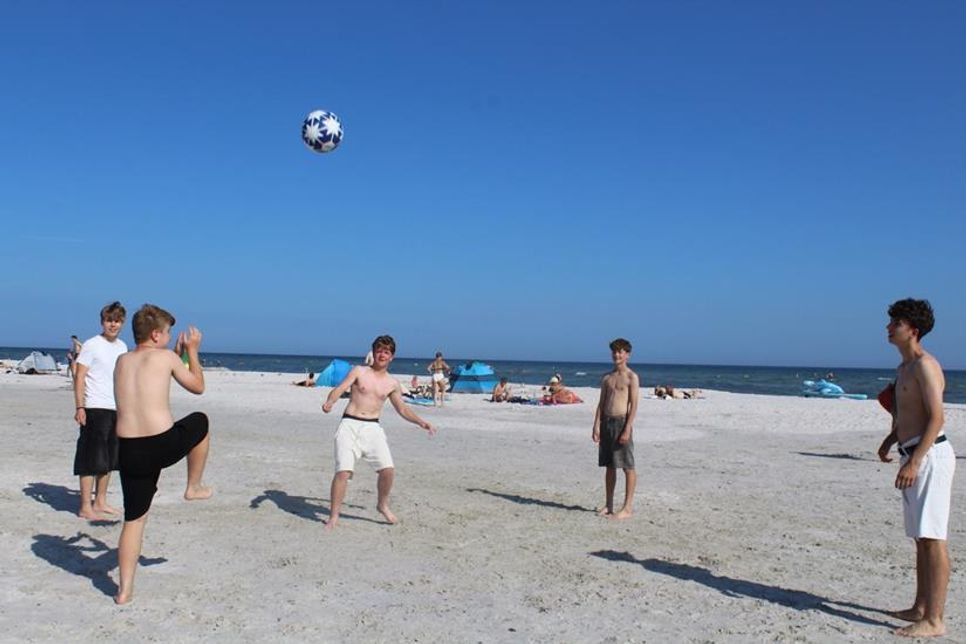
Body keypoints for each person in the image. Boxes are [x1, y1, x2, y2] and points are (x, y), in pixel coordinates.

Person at [113, 304, 213, 605]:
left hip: (129, 450)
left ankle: (124, 591)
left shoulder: (122, 360)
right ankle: (193, 486)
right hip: (161, 444)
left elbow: (152, 379)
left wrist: (177, 355)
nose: (171, 338)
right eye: (168, 333)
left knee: (134, 520)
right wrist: (192, 351)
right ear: (156, 335)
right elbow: (197, 386)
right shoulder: (166, 357)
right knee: (201, 421)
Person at [876, 298, 955, 638]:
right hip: (911, 452)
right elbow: (908, 415)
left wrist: (916, 461)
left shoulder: (926, 365)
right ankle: (921, 607)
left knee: (933, 538)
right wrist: (890, 440)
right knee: (921, 538)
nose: (889, 327)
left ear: (914, 330)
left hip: (930, 455)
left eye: (897, 322)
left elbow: (937, 418)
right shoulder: (903, 368)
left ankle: (935, 620)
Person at [322, 335, 435, 529]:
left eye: (386, 352)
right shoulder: (359, 371)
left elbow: (402, 409)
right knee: (343, 472)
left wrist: (421, 422)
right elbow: (340, 389)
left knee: (388, 471)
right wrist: (330, 401)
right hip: (350, 424)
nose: (382, 355)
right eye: (379, 351)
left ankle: (382, 505)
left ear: (392, 356)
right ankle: (334, 516)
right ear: (373, 353)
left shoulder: (392, 383)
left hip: (373, 427)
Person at [72, 302, 128, 520]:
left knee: (109, 458)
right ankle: (85, 506)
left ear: (122, 323)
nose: (113, 325)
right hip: (94, 407)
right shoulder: (91, 345)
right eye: (109, 320)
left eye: (117, 321)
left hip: (116, 407)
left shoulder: (122, 347)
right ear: (102, 322)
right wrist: (80, 406)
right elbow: (79, 376)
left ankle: (101, 501)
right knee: (90, 457)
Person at [592, 338, 640, 520]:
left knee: (627, 466)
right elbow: (601, 403)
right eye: (614, 351)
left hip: (621, 423)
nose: (617, 355)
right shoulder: (607, 378)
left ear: (627, 355)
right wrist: (596, 425)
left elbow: (633, 405)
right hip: (607, 423)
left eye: (620, 352)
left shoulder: (631, 377)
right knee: (610, 466)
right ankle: (609, 504)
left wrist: (627, 427)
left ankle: (627, 507)